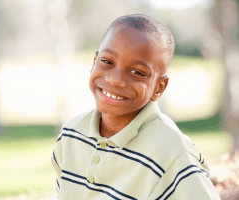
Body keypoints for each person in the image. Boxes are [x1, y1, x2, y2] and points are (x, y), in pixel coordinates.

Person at [51, 14, 221, 200]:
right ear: (94, 62)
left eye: (137, 72)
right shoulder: (71, 134)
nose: (115, 80)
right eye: (107, 62)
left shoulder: (171, 152)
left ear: (159, 87)